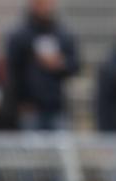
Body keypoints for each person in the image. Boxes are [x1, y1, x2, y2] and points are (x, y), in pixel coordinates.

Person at [6, 0, 80, 130]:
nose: (45, 6)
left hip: (57, 107)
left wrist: (59, 64)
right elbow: (12, 72)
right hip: (30, 109)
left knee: (60, 148)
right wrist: (20, 101)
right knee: (30, 149)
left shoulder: (63, 34)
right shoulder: (19, 35)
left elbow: (75, 66)